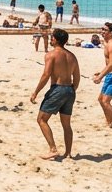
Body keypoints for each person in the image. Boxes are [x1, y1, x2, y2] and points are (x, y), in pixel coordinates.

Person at [31, 28, 81, 159]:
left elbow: (46, 74)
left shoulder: (51, 55)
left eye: (52, 37)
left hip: (58, 89)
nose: (50, 38)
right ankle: (68, 153)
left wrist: (36, 92)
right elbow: (77, 77)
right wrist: (71, 90)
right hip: (70, 90)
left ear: (56, 39)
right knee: (66, 124)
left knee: (41, 119)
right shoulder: (72, 56)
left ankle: (53, 149)